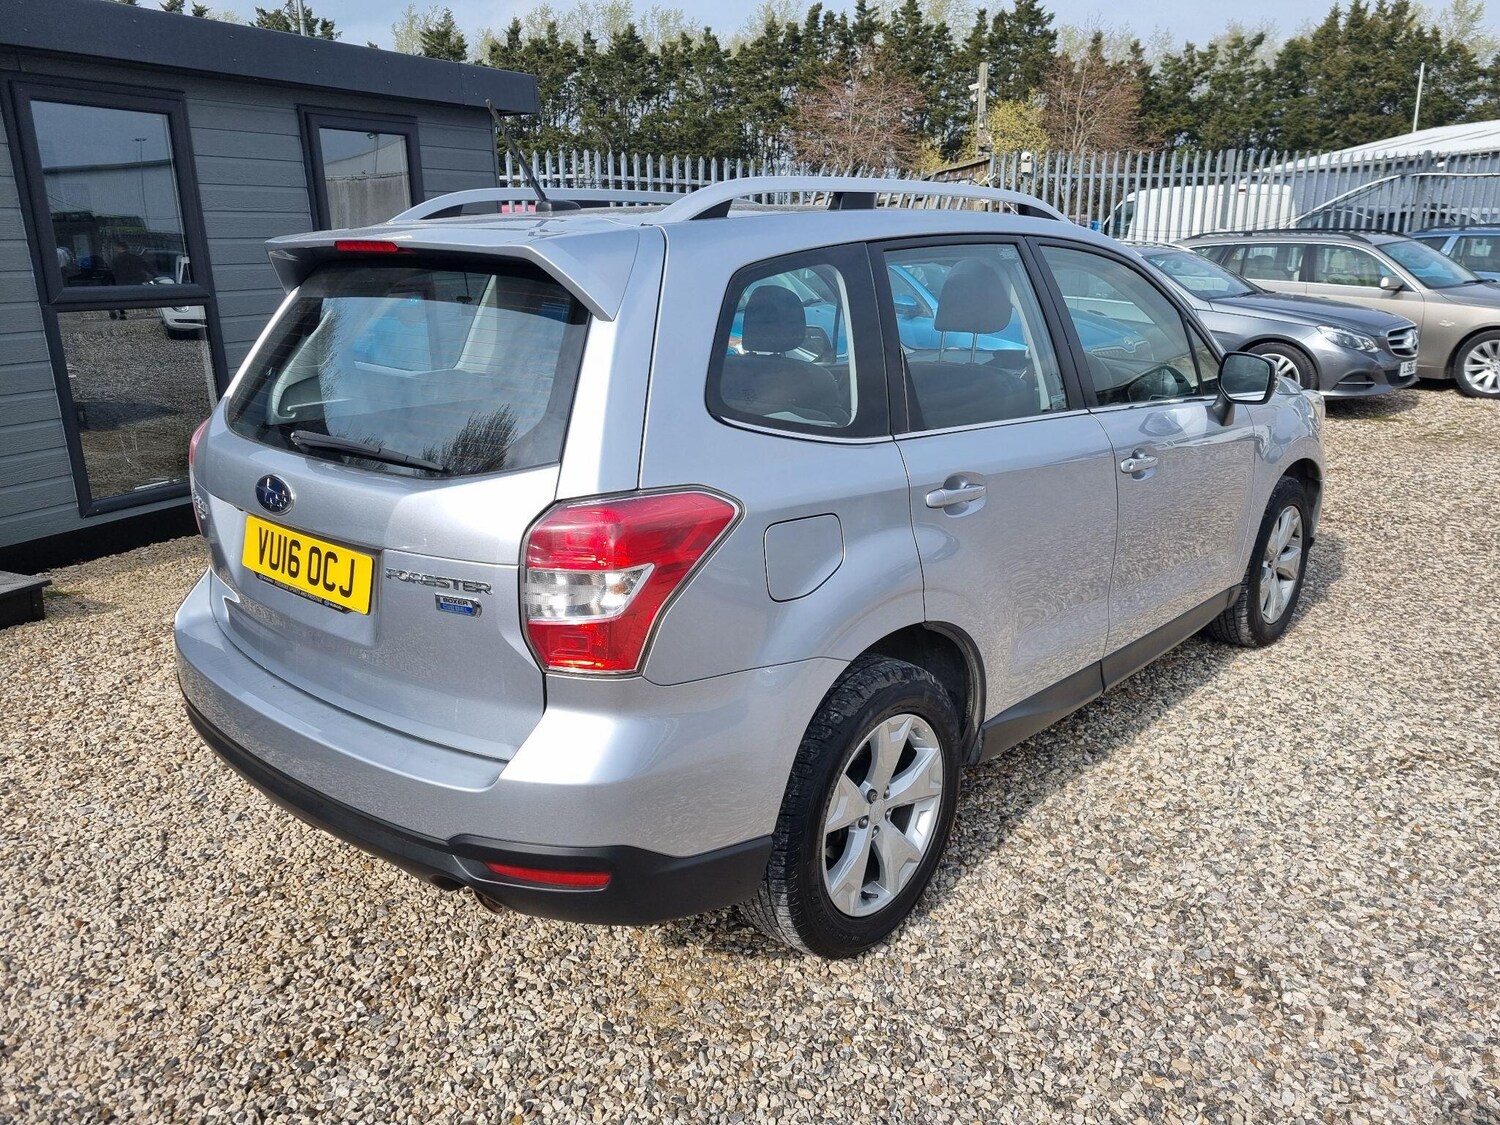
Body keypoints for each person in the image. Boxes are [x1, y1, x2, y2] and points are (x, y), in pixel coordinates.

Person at [108, 238, 151, 319]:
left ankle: (122, 313)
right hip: (135, 282)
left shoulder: (115, 260)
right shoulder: (135, 258)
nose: (115, 249)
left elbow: (112, 272)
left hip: (121, 282)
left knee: (120, 298)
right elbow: (147, 267)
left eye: (116, 247)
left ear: (120, 248)